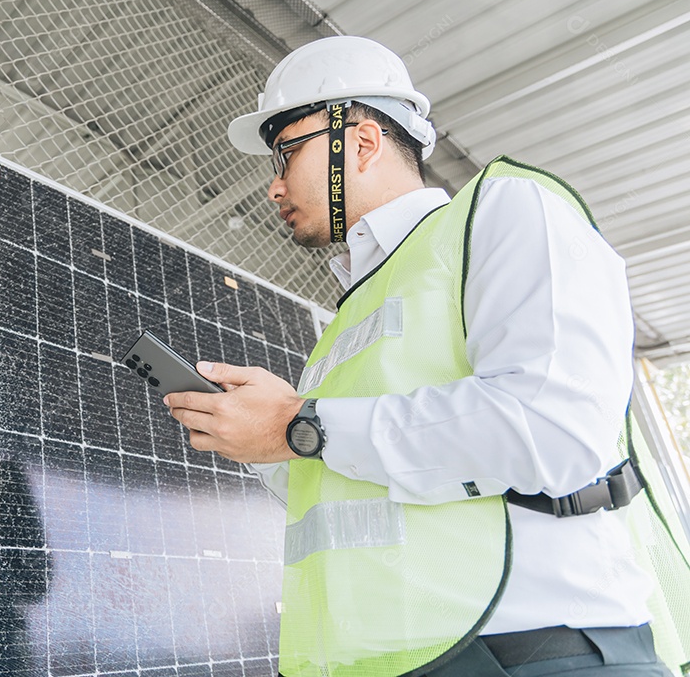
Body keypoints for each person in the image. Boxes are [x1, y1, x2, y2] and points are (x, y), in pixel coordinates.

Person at [163, 36, 690, 676]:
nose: (273, 187)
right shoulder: (351, 314)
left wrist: (299, 425)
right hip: (398, 660)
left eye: (286, 152)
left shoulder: (505, 210)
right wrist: (260, 438)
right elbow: (361, 480)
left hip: (534, 653)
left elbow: (552, 427)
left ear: (361, 142)